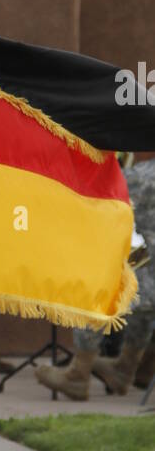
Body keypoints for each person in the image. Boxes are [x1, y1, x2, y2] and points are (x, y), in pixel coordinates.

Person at [35, 151, 155, 401]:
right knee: (141, 284)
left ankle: (78, 375)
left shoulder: (143, 178)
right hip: (148, 284)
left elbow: (104, 199)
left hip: (146, 285)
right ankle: (125, 369)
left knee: (94, 286)